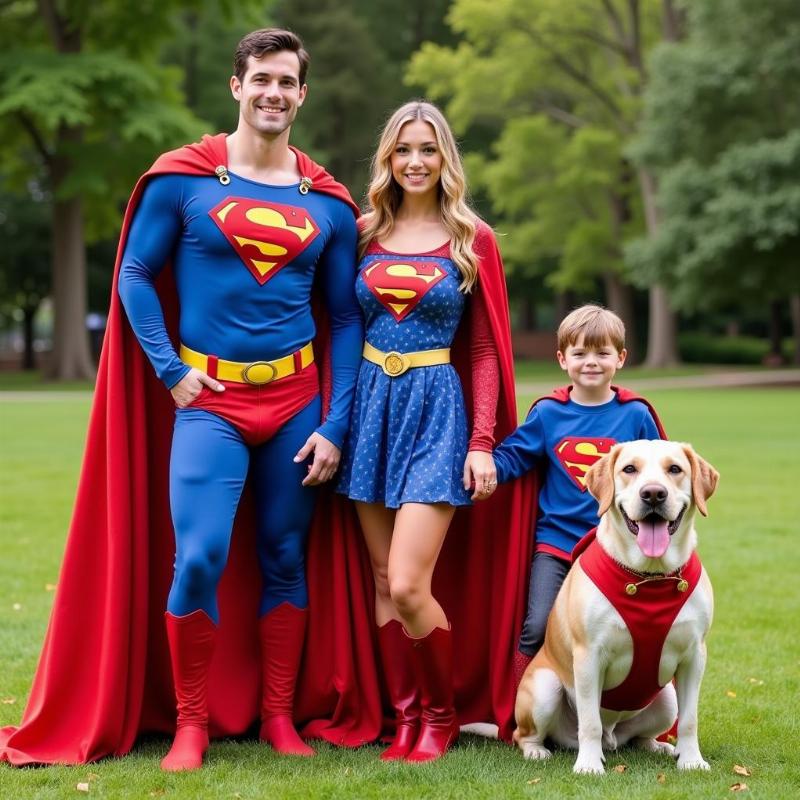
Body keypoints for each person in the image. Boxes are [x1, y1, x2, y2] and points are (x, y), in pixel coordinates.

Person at [0, 28, 374, 770]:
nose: (273, 93)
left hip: (297, 401)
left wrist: (335, 423)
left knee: (283, 555)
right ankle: (192, 723)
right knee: (198, 556)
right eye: (260, 79)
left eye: (286, 82)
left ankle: (276, 716)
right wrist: (171, 372)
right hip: (210, 401)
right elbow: (135, 274)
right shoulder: (182, 180)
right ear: (237, 86)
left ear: (304, 95)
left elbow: (345, 316)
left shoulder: (327, 204)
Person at [337, 100, 516, 762]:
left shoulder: (473, 237)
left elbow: (485, 350)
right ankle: (404, 716)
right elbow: (336, 322)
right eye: (403, 150)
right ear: (387, 159)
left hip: (438, 409)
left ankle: (440, 718)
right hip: (368, 412)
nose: (415, 162)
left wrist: (481, 441)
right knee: (383, 578)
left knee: (411, 583)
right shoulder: (359, 234)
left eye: (428, 150)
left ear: (446, 159)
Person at [484, 305, 667, 687]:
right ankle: (523, 710)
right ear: (562, 359)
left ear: (620, 358)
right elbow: (513, 458)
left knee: (623, 631)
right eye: (580, 353)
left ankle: (622, 710)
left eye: (602, 353)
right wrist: (478, 462)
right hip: (557, 545)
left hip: (616, 547)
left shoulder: (636, 414)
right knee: (538, 626)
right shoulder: (549, 413)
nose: (591, 362)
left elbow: (659, 472)